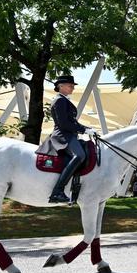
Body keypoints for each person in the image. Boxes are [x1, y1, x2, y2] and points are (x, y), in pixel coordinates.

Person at [36, 75, 98, 203]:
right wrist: (84, 130)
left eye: (73, 86)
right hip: (63, 136)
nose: (72, 88)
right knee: (80, 155)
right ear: (61, 86)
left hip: (69, 135)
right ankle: (57, 191)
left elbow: (72, 122)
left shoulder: (64, 100)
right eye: (70, 86)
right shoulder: (60, 100)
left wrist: (87, 128)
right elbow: (64, 123)